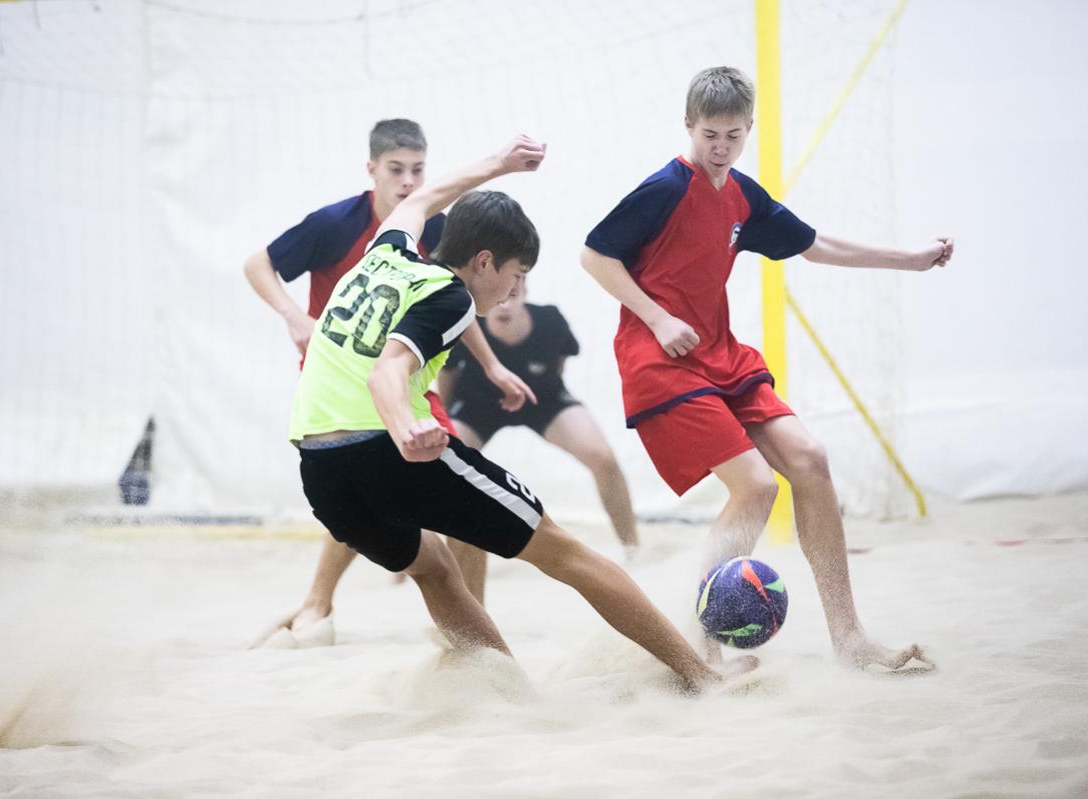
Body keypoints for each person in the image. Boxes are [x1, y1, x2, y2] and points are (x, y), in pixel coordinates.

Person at [289, 133, 754, 691]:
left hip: (319, 468)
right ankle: (702, 675)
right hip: (385, 450)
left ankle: (500, 691)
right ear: (484, 262)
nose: (513, 291)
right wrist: (406, 428)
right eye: (515, 275)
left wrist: (501, 164)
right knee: (566, 552)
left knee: (434, 568)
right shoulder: (451, 296)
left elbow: (425, 198)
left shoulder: (384, 252)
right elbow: (386, 372)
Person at [579, 67, 951, 671]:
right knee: (756, 485)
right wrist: (658, 318)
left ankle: (850, 638)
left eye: (733, 135)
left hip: (720, 356)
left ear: (748, 128)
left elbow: (816, 245)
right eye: (709, 135)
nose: (720, 148)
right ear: (688, 125)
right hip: (660, 359)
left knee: (810, 459)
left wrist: (909, 259)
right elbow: (594, 256)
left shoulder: (742, 196)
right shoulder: (664, 189)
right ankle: (701, 652)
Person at [244, 118, 533, 648]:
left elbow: (455, 300)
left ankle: (471, 623)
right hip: (343, 379)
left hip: (408, 375)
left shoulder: (435, 230)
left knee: (461, 482)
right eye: (396, 169)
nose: (408, 181)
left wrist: (492, 365)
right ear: (371, 169)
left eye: (418, 170)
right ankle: (318, 601)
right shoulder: (335, 224)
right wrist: (292, 316)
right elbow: (257, 264)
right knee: (364, 482)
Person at [436, 286, 640, 604]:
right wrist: (444, 421)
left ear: (525, 290)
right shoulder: (467, 327)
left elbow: (558, 365)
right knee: (437, 467)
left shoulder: (550, 321)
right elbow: (446, 378)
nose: (505, 305)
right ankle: (417, 555)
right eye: (500, 297)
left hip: (540, 398)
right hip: (478, 405)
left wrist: (546, 393)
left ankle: (632, 547)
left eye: (513, 295)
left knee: (602, 457)